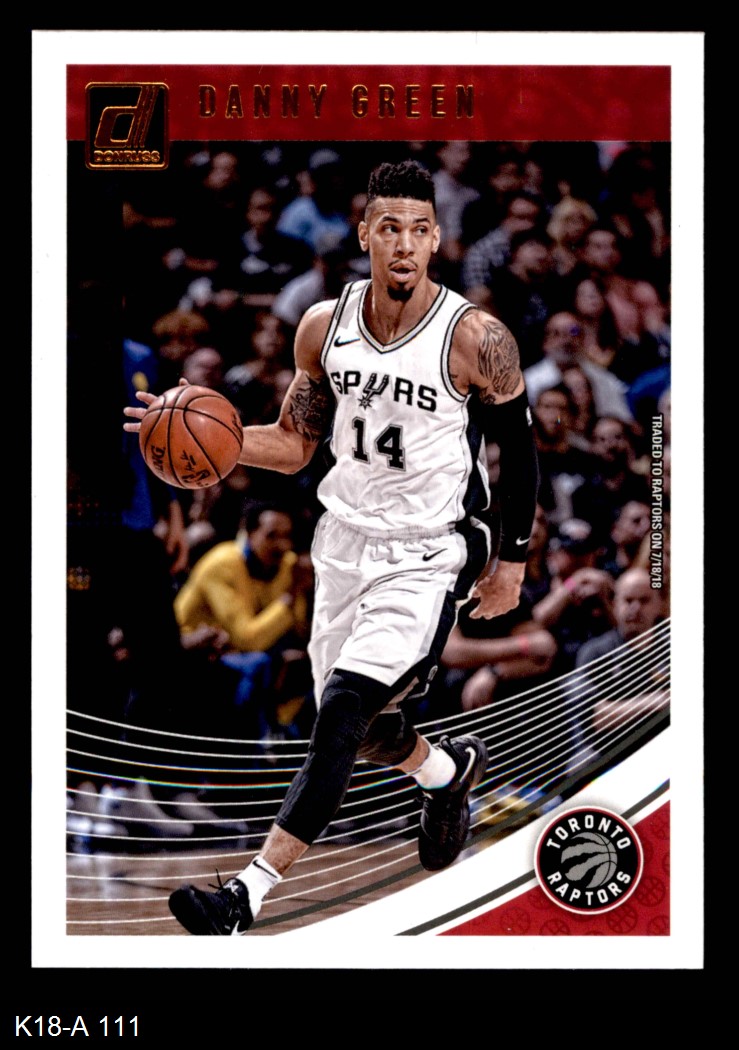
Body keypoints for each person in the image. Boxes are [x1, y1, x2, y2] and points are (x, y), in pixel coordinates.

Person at [125, 159, 539, 935]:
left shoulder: (475, 338)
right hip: (342, 543)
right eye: (389, 227)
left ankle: (245, 895)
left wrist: (510, 560)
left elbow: (519, 454)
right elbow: (292, 444)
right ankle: (447, 772)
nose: (404, 243)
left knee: (344, 712)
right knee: (365, 730)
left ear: (436, 239)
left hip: (428, 550)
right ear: (364, 234)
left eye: (419, 229)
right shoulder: (323, 326)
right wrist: (198, 437)